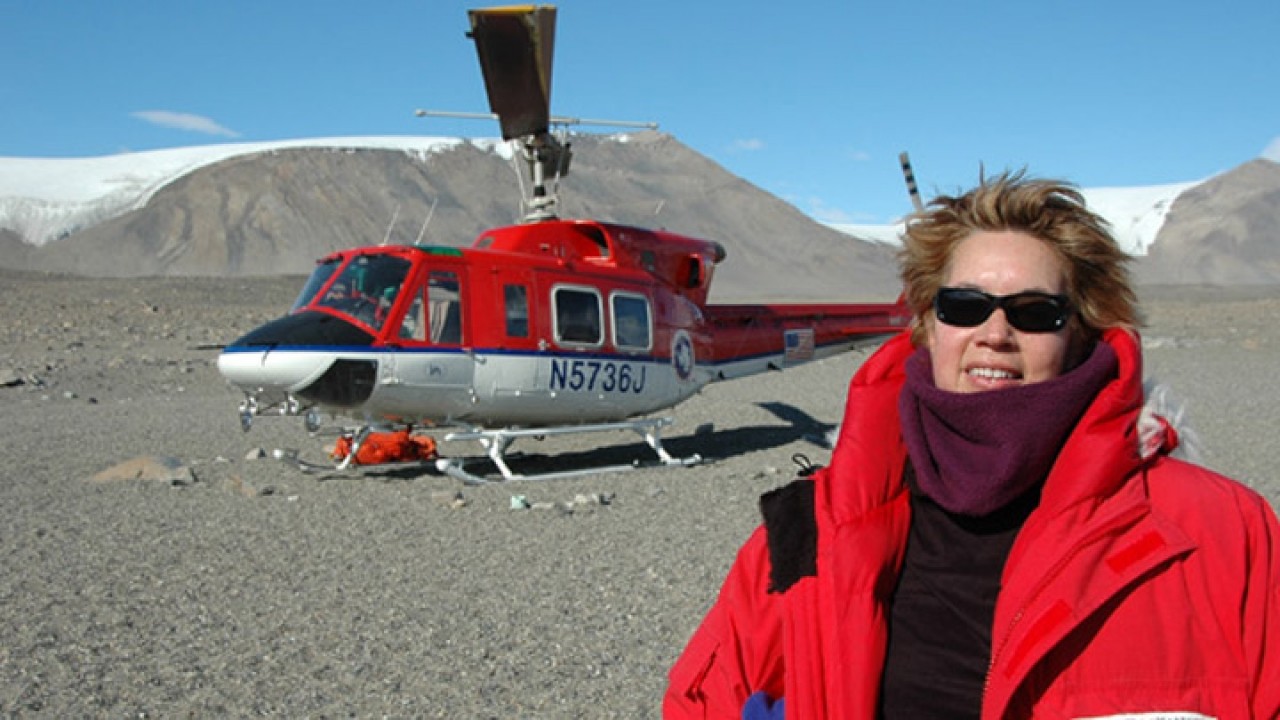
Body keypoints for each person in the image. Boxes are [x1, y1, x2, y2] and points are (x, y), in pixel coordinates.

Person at [664, 170, 1280, 719]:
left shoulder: (1220, 533)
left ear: (1084, 332)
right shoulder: (809, 535)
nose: (994, 333)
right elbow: (705, 699)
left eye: (1035, 311)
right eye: (965, 305)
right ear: (929, 325)